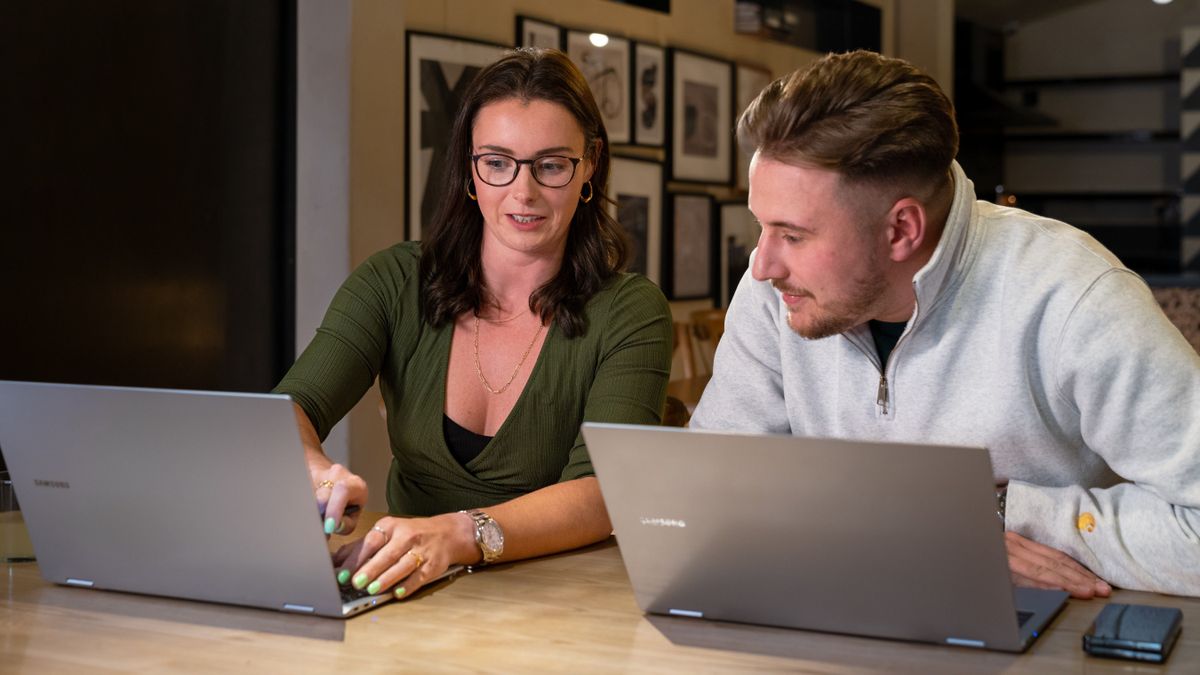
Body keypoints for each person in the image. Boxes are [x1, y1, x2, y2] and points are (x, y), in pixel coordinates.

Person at [691, 50, 1200, 598]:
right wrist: (939, 531)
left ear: (901, 228)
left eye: (793, 235)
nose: (763, 264)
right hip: (839, 604)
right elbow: (709, 492)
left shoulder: (1076, 297)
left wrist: (1011, 516)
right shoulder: (775, 291)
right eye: (762, 228)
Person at [274, 48, 672, 599]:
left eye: (551, 164)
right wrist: (316, 470)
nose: (522, 191)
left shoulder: (631, 310)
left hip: (560, 601)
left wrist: (463, 534)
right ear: (469, 166)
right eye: (497, 162)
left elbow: (602, 493)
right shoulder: (394, 279)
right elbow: (290, 409)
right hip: (403, 590)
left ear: (590, 166)